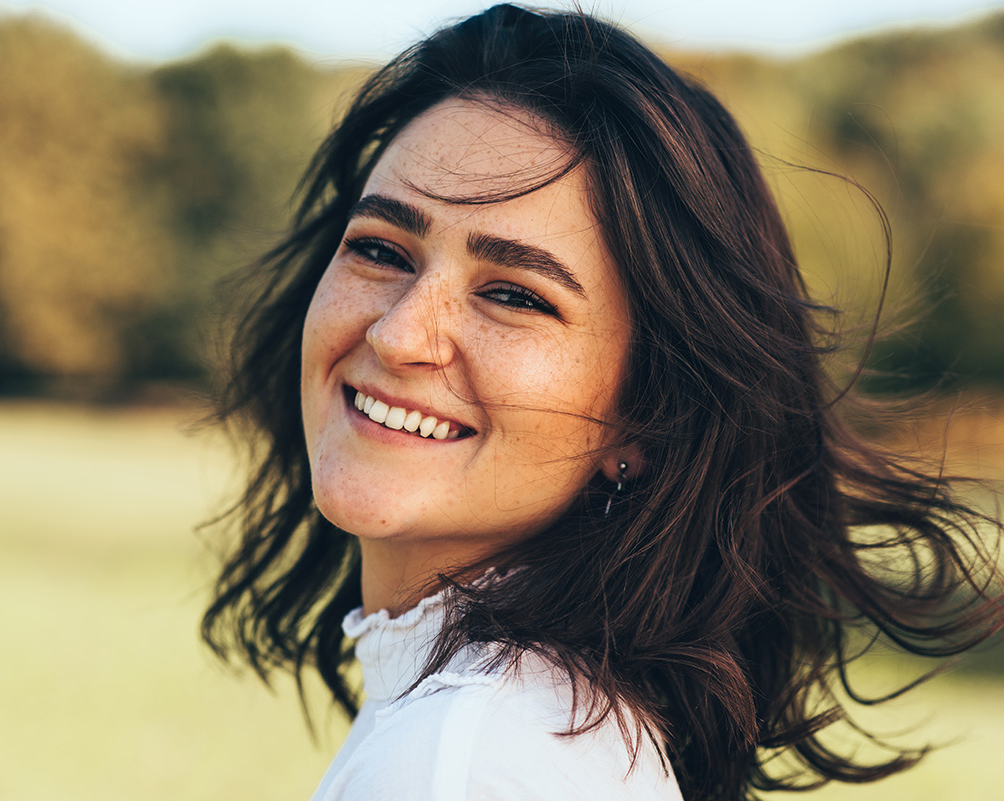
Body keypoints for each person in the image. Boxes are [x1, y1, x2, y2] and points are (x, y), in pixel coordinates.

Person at [201, 5, 1003, 800]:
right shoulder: (534, 725)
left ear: (643, 416)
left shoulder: (467, 760)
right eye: (380, 248)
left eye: (514, 294)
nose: (400, 333)